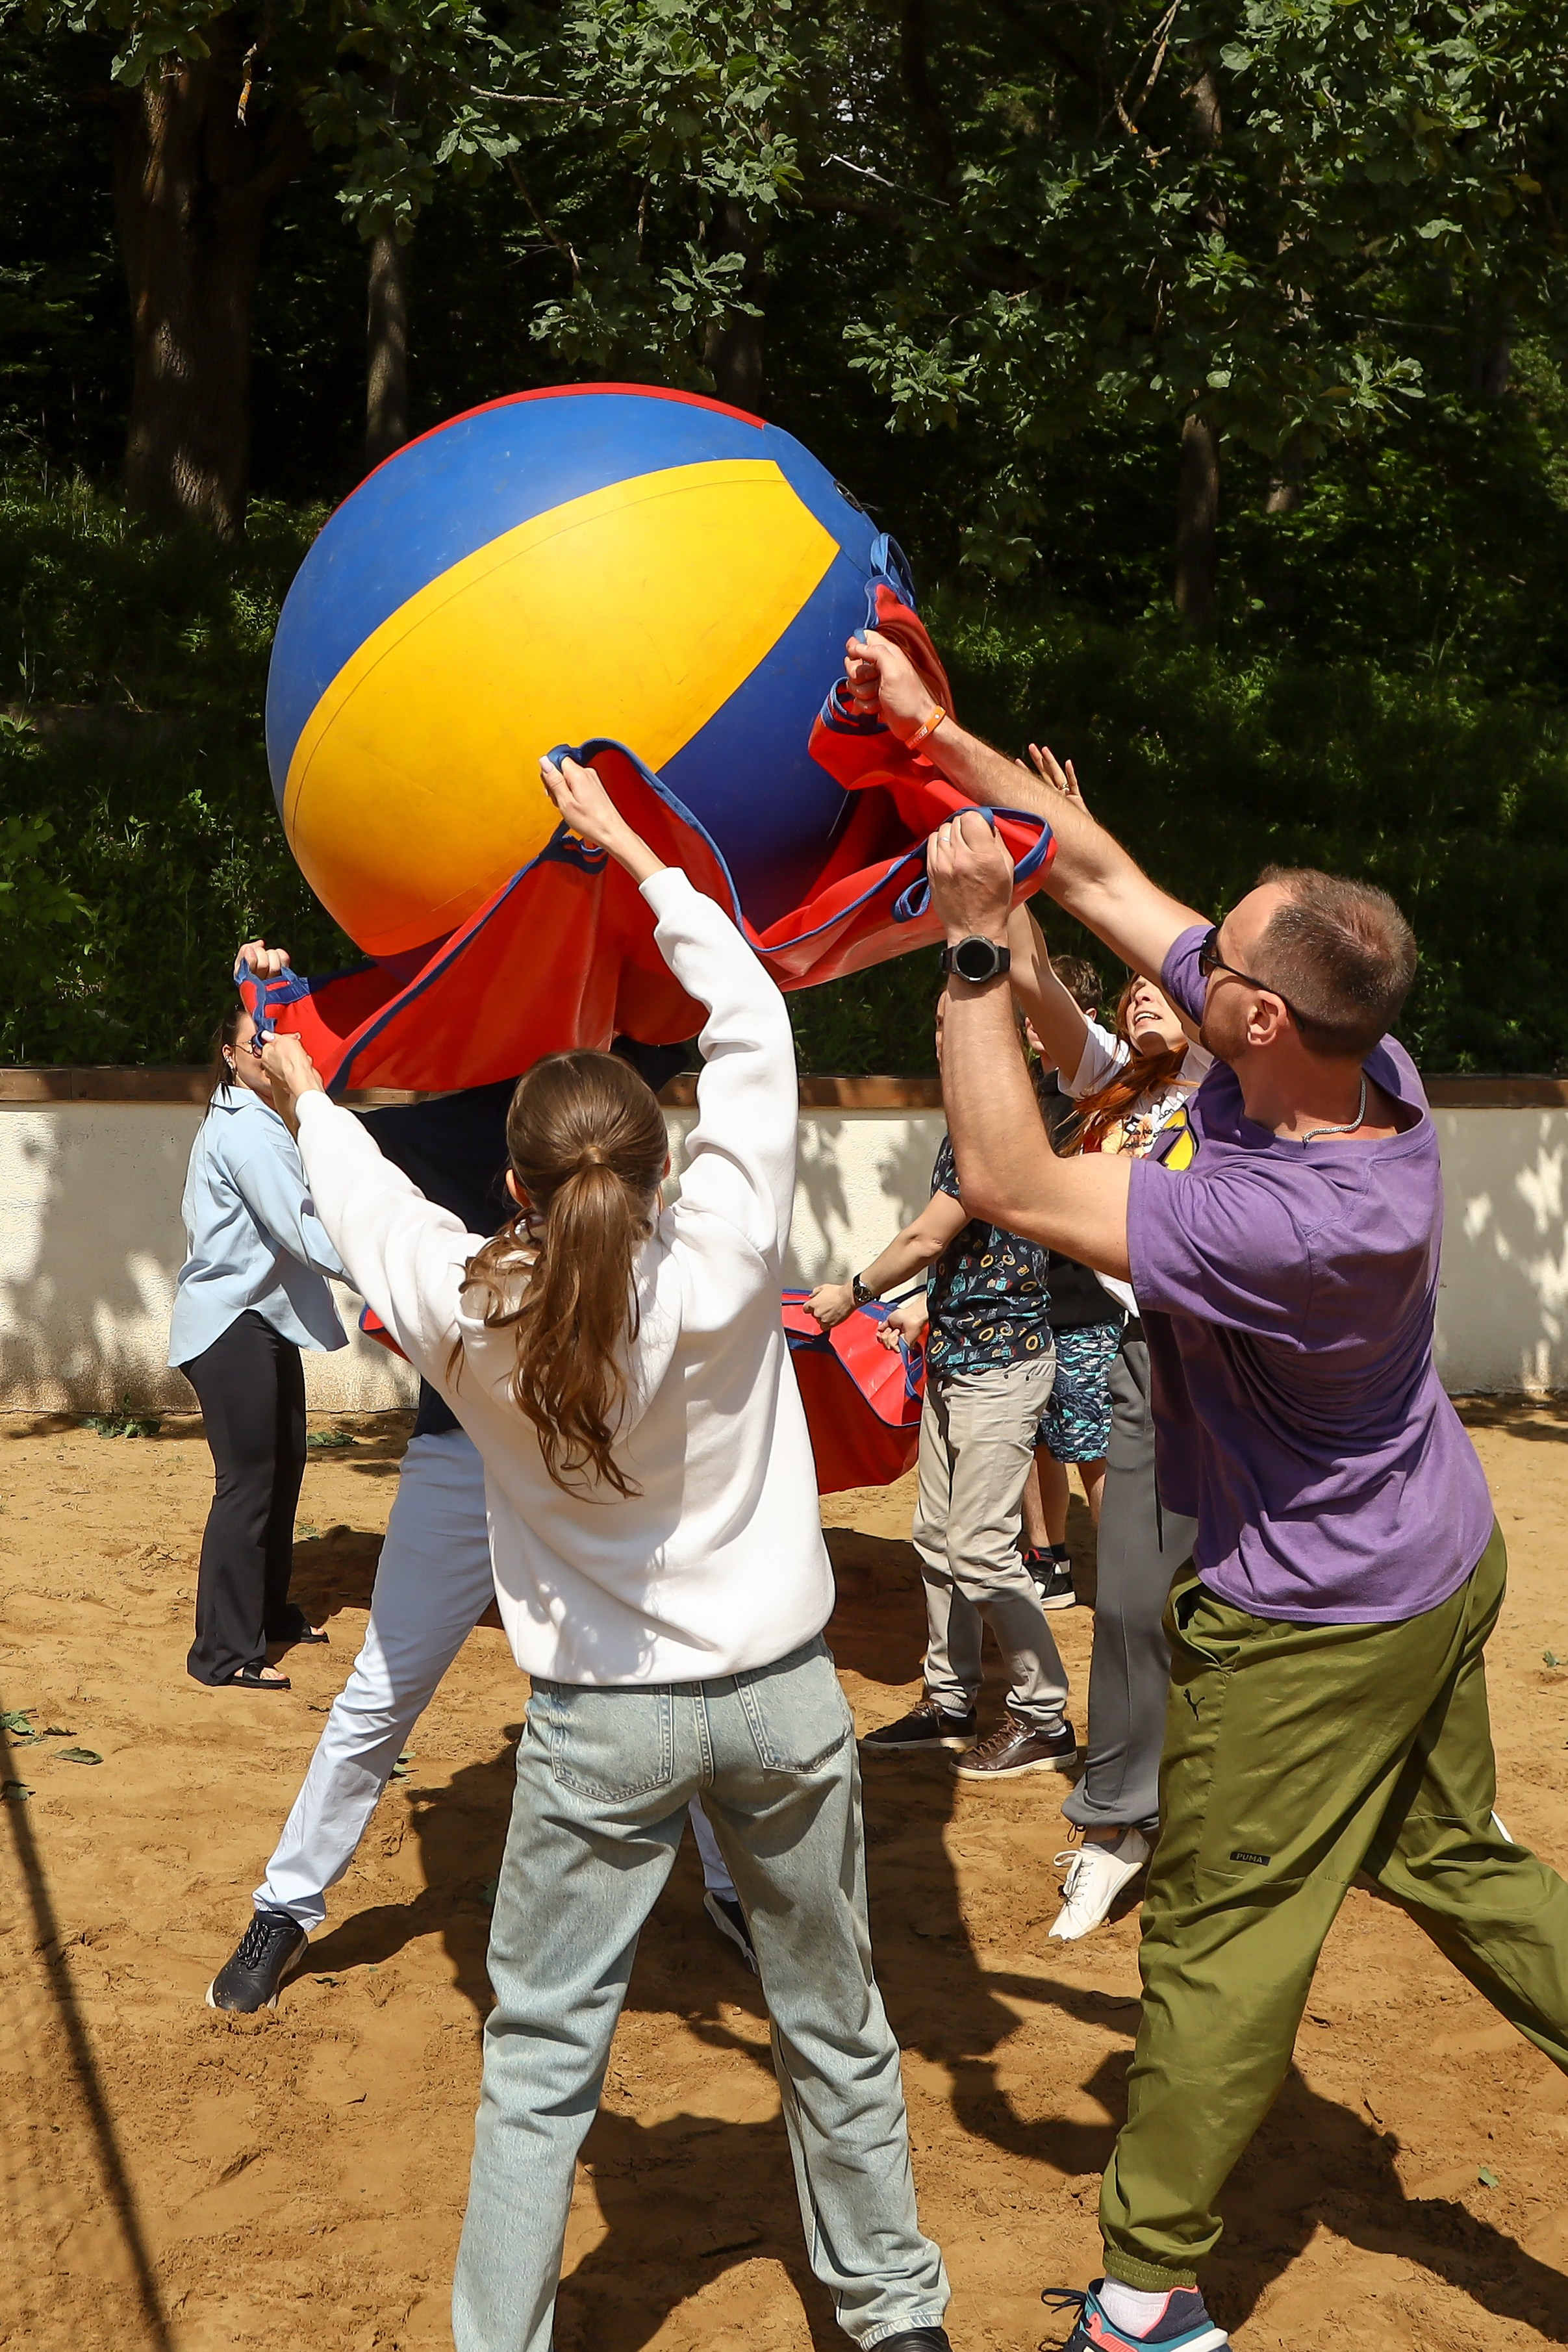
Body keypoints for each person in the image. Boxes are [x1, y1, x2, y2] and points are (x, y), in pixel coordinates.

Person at [847, 621, 1568, 2352]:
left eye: (1218, 946)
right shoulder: (1351, 1064)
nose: (1184, 936)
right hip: (1426, 1558)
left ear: (1255, 1009)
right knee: (1445, 1853)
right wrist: (929, 728)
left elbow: (1013, 1176)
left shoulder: (1289, 1217)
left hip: (1313, 1620)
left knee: (1220, 1939)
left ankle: (1138, 2289)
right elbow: (1090, 865)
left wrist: (965, 959)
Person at [258, 754, 953, 2352]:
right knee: (833, 2023)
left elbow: (359, 1184)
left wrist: (298, 1090)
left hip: (597, 1727)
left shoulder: (459, 1307)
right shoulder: (720, 1259)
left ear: (507, 1184)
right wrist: (635, 853)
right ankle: (895, 2316)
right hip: (780, 1700)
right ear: (665, 1163)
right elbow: (754, 1030)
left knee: (539, 2062)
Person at [206, 1033, 755, 2014]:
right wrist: (279, 1020)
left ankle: (729, 1885)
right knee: (386, 1686)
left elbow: (327, 1135)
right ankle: (286, 1903)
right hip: (463, 1456)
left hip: (593, 1455)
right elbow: (326, 1134)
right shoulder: (461, 1112)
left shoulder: (600, 1087)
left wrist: (281, 1040)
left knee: (676, 1670)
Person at [808, 994, 1075, 1784]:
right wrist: (928, 1303)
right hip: (961, 1354)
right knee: (933, 1538)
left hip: (1002, 1367)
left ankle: (1042, 1716)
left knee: (983, 1550)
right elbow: (982, 1245)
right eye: (935, 1021)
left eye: (957, 1020)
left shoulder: (999, 1122)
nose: (941, 1034)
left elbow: (927, 1235)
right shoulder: (973, 1119)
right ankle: (950, 1700)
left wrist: (852, 1292)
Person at [1012, 908, 1211, 1940]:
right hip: (1149, 1359)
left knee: (1290, 1599)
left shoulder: (1235, 1085)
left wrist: (1099, 867)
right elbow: (1040, 988)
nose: (1140, 991)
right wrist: (1022, 876)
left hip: (1253, 1364)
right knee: (1132, 1597)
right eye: (1126, 983)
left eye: (1158, 980)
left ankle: (1395, 1800)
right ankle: (1120, 1819)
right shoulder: (1111, 1090)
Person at [169, 1001, 346, 1691]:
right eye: (257, 1040)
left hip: (255, 1318)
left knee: (283, 1467)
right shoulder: (247, 1134)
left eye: (276, 1039)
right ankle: (221, 1652)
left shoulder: (257, 1119)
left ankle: (266, 1614)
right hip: (227, 1324)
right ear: (230, 1054)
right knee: (247, 1484)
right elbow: (303, 1228)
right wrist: (389, 1264)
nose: (270, 1050)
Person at [1017, 949, 1121, 1610]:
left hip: (1085, 1301)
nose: (1031, 1024)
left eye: (1044, 1012)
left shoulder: (1100, 1096)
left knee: (1092, 1447)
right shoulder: (1019, 1090)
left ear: (1081, 1019)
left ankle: (1121, 1581)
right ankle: (1047, 1560)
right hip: (1024, 1303)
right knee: (1035, 1443)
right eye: (1027, 1013)